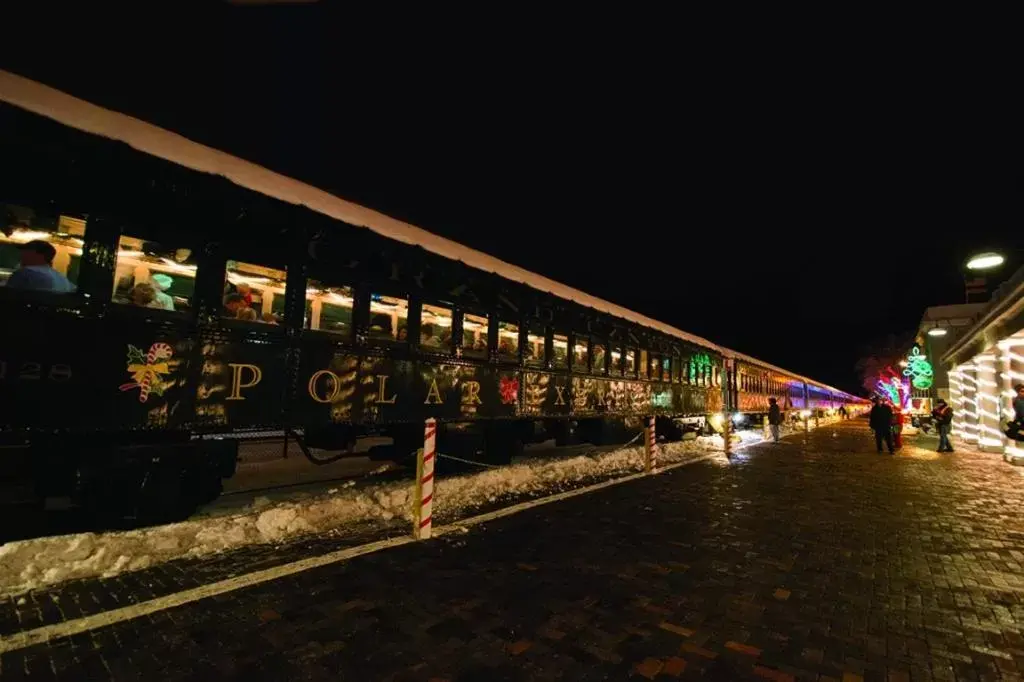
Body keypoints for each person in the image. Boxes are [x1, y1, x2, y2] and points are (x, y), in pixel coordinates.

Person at [4, 240, 76, 293]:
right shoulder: (63, 279)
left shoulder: (25, 273)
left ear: (38, 255)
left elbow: (7, 297)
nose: (21, 255)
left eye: (26, 251)